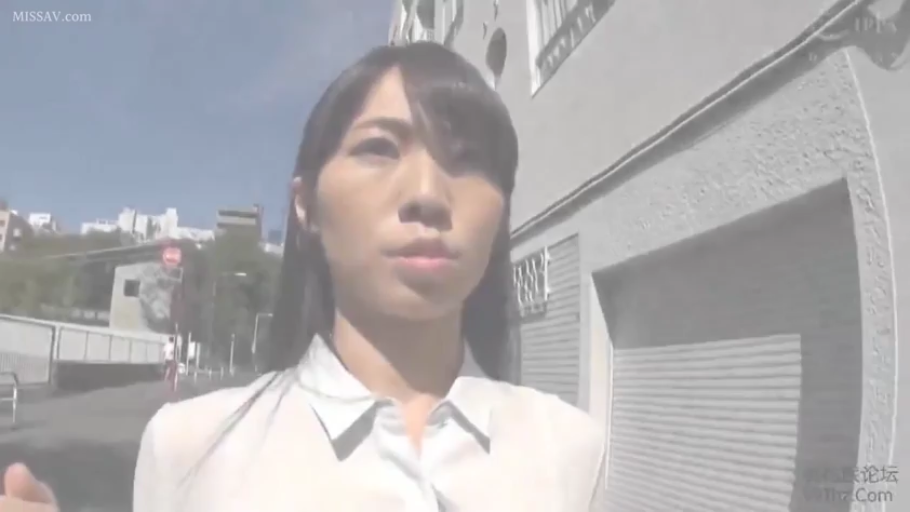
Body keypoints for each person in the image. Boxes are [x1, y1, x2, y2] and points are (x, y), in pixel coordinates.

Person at [0, 41, 605, 512]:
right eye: (379, 149)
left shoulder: (570, 447)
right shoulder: (189, 443)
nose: (427, 193)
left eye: (469, 160)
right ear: (305, 205)